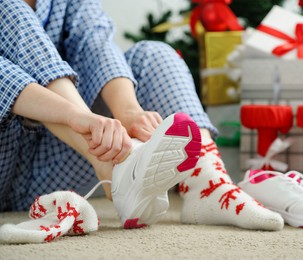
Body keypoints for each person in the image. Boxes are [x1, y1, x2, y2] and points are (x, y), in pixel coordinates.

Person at [0, 0, 284, 231]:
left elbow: (95, 43)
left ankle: (209, 186)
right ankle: (110, 164)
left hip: (50, 162)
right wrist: (78, 118)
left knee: (154, 53)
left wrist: (129, 113)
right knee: (11, 10)